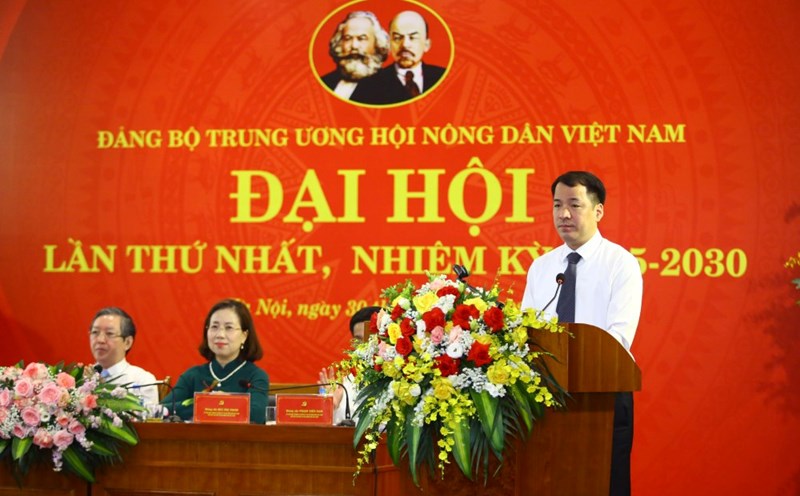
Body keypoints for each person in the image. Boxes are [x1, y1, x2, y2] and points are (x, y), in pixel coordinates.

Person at [520, 171, 642, 496]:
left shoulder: (621, 264)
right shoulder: (542, 267)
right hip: (547, 396)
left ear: (598, 210)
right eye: (557, 205)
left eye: (574, 204)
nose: (563, 214)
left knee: (604, 485)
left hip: (602, 396)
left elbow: (619, 337)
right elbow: (525, 334)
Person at [162, 299, 269, 423]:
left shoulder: (255, 376)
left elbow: (258, 414)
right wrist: (207, 403)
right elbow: (163, 409)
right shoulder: (192, 375)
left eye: (229, 328)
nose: (220, 334)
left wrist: (223, 403)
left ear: (244, 336)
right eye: (214, 327)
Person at [355, 10, 446, 105]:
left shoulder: (443, 78)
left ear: (426, 45)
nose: (405, 45)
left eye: (412, 37)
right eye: (397, 38)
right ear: (389, 43)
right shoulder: (370, 85)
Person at [318, 305, 381, 425]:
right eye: (358, 340)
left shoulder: (399, 381)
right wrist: (332, 408)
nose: (364, 345)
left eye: (370, 338)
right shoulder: (344, 387)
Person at [89, 307, 159, 407]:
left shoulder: (142, 381)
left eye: (109, 334)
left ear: (127, 342)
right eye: (95, 332)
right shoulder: (78, 380)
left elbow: (146, 419)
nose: (100, 340)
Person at [320, 11, 389, 101]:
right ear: (340, 43)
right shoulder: (325, 82)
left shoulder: (389, 87)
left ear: (377, 45)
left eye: (362, 39)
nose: (354, 46)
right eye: (347, 38)